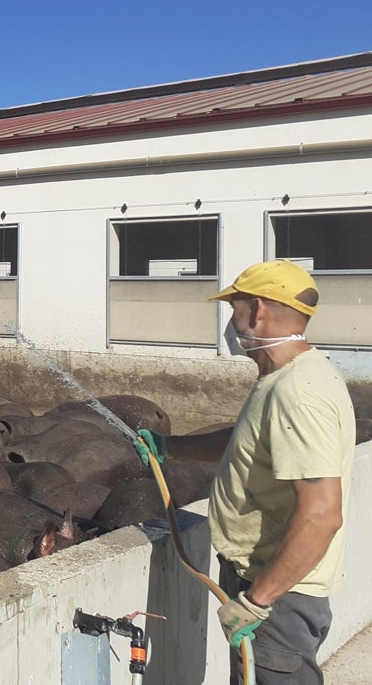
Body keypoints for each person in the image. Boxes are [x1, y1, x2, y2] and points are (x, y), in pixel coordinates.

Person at [134, 259, 355, 684]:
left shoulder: (298, 392)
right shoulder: (284, 379)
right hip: (268, 586)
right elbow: (247, 441)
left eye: (233, 307)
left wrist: (256, 601)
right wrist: (169, 447)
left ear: (256, 310)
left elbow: (322, 515)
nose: (230, 320)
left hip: (277, 597)